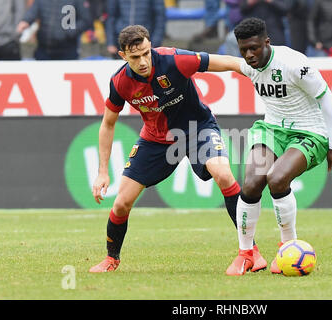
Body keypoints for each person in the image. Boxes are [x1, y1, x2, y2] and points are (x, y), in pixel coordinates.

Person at [89, 24, 267, 273]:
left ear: (151, 46)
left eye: (146, 53)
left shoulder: (175, 59)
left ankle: (251, 251)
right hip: (155, 140)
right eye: (135, 57)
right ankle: (111, 259)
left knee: (224, 175)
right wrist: (102, 171)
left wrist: (254, 69)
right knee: (120, 204)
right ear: (123, 56)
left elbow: (224, 61)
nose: (143, 62)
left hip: (198, 129)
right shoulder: (120, 83)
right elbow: (107, 124)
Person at [225, 17, 332, 275]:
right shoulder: (249, 65)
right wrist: (181, 59)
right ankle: (247, 254)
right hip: (271, 130)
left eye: (254, 48)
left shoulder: (295, 64)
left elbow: (326, 100)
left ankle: (287, 249)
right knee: (251, 184)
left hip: (309, 133)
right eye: (244, 50)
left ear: (267, 42)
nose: (249, 55)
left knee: (277, 179)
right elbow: (220, 62)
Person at [16, 0, 92, 60]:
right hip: (43, 51)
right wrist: (25, 21)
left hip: (67, 52)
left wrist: (69, 31)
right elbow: (33, 12)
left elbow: (85, 20)